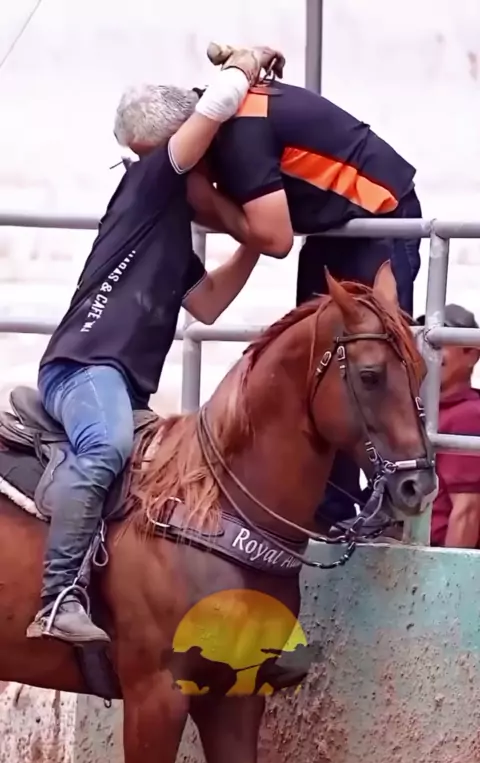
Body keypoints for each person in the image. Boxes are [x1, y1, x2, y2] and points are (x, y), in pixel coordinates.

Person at [27, 45, 285, 645]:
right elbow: (218, 105)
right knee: (105, 447)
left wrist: (253, 243)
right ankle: (58, 597)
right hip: (84, 367)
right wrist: (245, 63)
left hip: (111, 378)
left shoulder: (161, 228)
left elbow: (209, 302)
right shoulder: (149, 178)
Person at [204, 75, 422, 532]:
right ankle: (332, 506)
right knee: (324, 364)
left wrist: (202, 202)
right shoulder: (231, 118)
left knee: (378, 357)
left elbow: (275, 238)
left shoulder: (241, 134)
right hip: (332, 226)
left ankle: (390, 498)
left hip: (380, 213)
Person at [417, 305, 480, 548]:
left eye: (441, 343)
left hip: (431, 555)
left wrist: (443, 572)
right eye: (427, 341)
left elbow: (468, 512)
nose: (429, 352)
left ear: (472, 354)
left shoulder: (467, 415)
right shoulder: (416, 409)